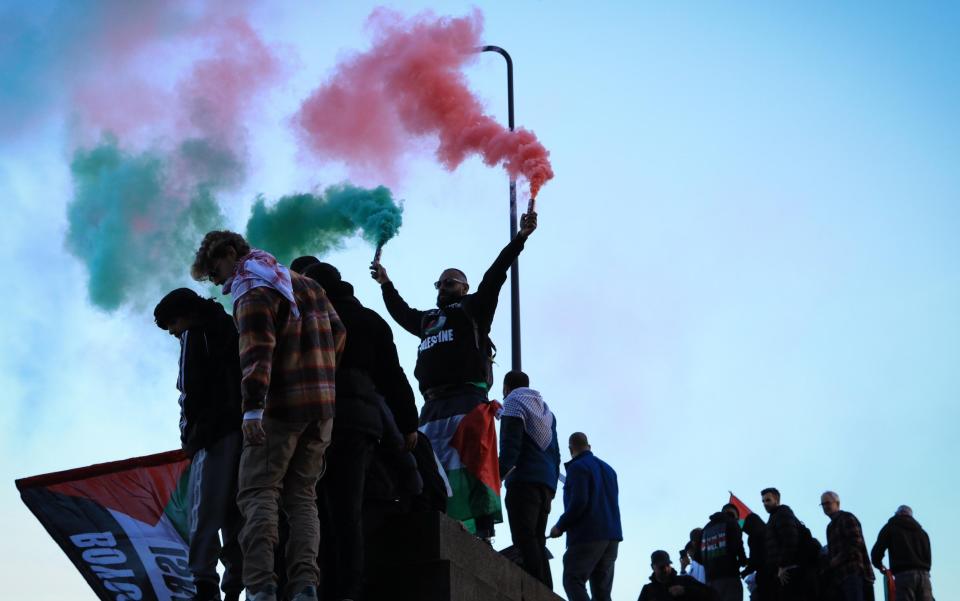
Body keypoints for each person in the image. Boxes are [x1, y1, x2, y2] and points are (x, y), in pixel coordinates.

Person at [191, 231, 345, 601]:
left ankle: (261, 589)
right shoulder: (306, 284)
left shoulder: (251, 287)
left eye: (215, 272)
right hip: (321, 410)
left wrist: (252, 410)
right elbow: (339, 333)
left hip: (278, 409)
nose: (218, 282)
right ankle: (305, 587)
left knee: (258, 493)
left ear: (230, 254)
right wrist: (319, 372)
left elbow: (256, 354)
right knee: (302, 498)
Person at [370, 210, 539, 539]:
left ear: (465, 287)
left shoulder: (474, 308)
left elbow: (496, 274)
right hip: (432, 406)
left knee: (472, 469)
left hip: (466, 402)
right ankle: (435, 526)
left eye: (450, 282)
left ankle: (481, 535)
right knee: (431, 469)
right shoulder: (427, 319)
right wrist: (386, 284)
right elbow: (401, 312)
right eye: (440, 283)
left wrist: (520, 239)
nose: (443, 287)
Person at [303, 261, 419, 601]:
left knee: (316, 508)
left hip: (316, 420)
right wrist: (408, 423)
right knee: (348, 508)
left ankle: (327, 586)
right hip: (361, 424)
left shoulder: (311, 317)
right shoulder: (371, 320)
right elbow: (393, 376)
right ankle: (349, 589)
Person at [154, 288, 244, 601]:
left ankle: (204, 583)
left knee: (204, 511)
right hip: (244, 430)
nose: (173, 334)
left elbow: (190, 391)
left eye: (172, 326)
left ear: (183, 316)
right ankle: (235, 587)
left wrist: (189, 438)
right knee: (236, 514)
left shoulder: (195, 335)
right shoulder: (232, 325)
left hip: (212, 434)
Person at [498, 370, 560, 588]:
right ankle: (547, 589)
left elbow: (510, 445)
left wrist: (496, 475)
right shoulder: (546, 412)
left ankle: (536, 588)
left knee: (524, 540)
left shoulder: (513, 404)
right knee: (537, 539)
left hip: (523, 481)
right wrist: (551, 486)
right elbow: (555, 453)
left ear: (506, 387)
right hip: (545, 485)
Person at [549, 432, 622, 601]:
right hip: (612, 538)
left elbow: (579, 502)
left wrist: (560, 526)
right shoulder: (610, 470)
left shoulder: (577, 467)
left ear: (570, 449)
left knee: (572, 579)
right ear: (589, 447)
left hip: (588, 534)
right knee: (602, 593)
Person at [819, 491, 874, 601]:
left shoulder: (846, 517)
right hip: (841, 578)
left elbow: (856, 543)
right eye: (823, 504)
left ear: (837, 503)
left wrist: (837, 559)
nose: (825, 506)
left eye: (828, 503)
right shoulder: (830, 527)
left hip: (854, 573)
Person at [870, 505, 933, 601]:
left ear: (897, 514)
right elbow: (928, 556)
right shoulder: (922, 533)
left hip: (904, 576)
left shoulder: (891, 527)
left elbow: (878, 549)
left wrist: (879, 565)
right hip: (924, 577)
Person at [761, 488, 808, 601]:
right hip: (783, 571)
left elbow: (790, 539)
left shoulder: (782, 513)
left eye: (768, 500)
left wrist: (782, 565)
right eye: (763, 501)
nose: (765, 504)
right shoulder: (774, 517)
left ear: (776, 500)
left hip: (789, 571)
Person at [700, 503, 747, 601]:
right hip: (729, 578)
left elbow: (697, 554)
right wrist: (743, 561)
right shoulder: (732, 523)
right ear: (735, 516)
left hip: (710, 581)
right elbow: (737, 545)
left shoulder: (705, 528)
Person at [637, 550, 717, 601]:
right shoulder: (647, 590)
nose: (665, 569)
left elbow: (711, 594)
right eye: (661, 567)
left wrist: (686, 590)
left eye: (667, 565)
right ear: (652, 567)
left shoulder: (685, 581)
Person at [740, 513, 770, 601]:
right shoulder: (769, 531)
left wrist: (744, 572)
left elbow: (756, 560)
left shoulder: (754, 537)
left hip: (765, 578)